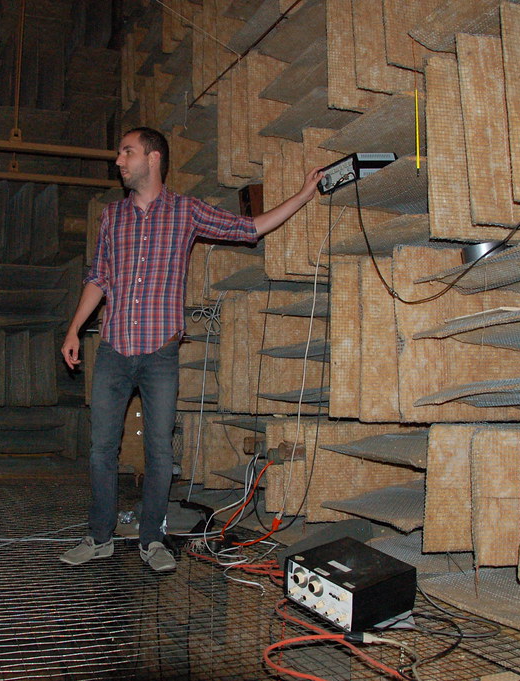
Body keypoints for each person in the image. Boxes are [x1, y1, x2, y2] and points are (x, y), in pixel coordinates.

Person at [59, 126, 322, 572]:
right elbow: (98, 277)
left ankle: (152, 540)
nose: (118, 161)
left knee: (160, 451)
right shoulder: (112, 217)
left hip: (160, 353)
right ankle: (99, 537)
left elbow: (248, 227)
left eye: (127, 152)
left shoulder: (185, 212)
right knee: (102, 450)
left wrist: (301, 195)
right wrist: (73, 329)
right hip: (114, 350)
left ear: (154, 158)